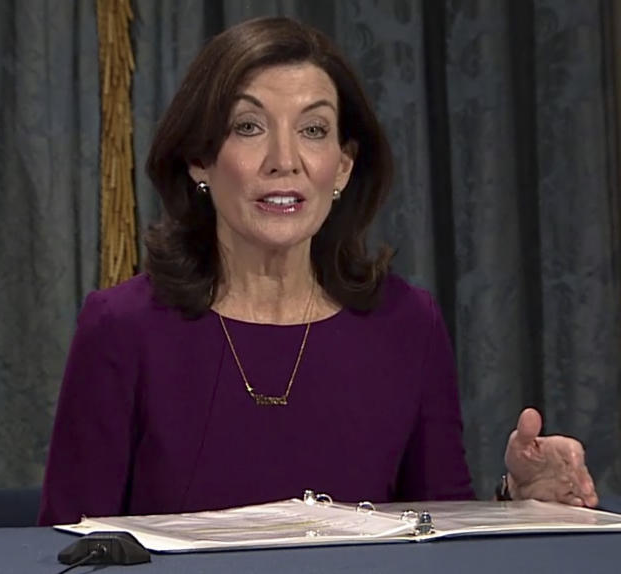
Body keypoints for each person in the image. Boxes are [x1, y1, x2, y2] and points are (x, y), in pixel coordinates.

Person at [37, 16, 598, 526]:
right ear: (199, 160)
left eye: (313, 130)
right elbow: (69, 548)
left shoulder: (406, 323)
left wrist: (520, 503)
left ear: (343, 167)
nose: (285, 159)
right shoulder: (122, 326)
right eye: (249, 127)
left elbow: (438, 533)